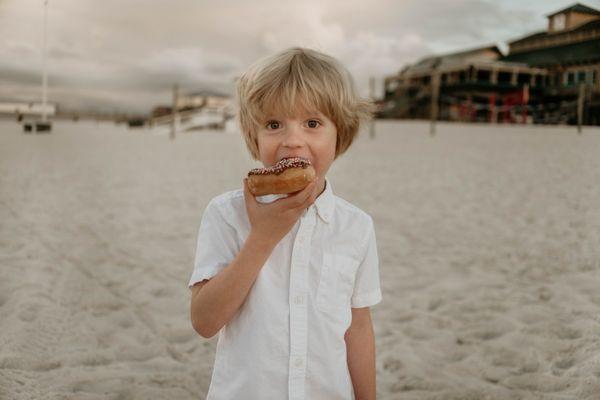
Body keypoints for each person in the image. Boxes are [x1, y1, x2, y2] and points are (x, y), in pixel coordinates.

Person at [188, 46, 382, 400]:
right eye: (274, 124)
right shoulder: (225, 214)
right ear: (254, 136)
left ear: (341, 135)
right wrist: (262, 237)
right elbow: (204, 321)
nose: (293, 140)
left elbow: (358, 329)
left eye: (312, 123)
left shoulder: (356, 227)